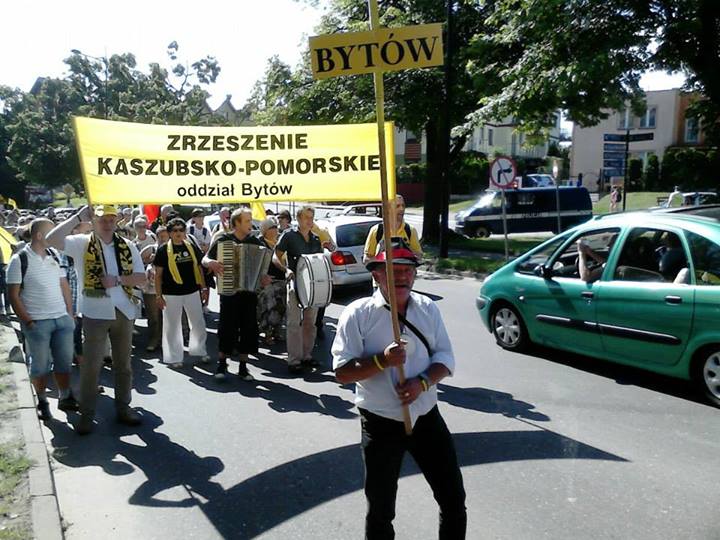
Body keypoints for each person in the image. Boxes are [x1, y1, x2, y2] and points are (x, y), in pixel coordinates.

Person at [332, 240, 466, 539]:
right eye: (393, 270)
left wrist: (422, 383)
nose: (402, 276)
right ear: (376, 275)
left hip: (426, 417)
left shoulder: (427, 308)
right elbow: (342, 372)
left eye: (408, 270)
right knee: (380, 512)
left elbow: (445, 358)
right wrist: (382, 360)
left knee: (453, 499)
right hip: (380, 423)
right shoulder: (357, 314)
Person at [47, 205, 146, 435]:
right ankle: (87, 415)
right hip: (95, 312)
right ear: (93, 221)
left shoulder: (127, 245)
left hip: (124, 310)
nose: (107, 223)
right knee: (91, 367)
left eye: (111, 219)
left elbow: (141, 277)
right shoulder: (82, 243)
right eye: (102, 219)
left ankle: (123, 408)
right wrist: (78, 217)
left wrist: (118, 279)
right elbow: (51, 239)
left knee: (123, 365)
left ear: (117, 220)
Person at [7, 218, 79, 420]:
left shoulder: (54, 255)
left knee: (64, 362)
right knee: (40, 365)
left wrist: (69, 314)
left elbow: (64, 285)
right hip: (38, 322)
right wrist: (28, 322)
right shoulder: (19, 260)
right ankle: (42, 401)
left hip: (61, 320)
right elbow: (13, 295)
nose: (57, 235)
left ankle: (65, 396)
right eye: (51, 232)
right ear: (39, 236)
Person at [203, 208, 271, 381]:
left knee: (248, 328)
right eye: (247, 220)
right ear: (237, 223)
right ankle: (221, 363)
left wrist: (263, 278)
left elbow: (263, 266)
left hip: (249, 293)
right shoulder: (223, 240)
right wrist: (211, 263)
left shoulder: (255, 241)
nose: (251, 224)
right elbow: (205, 259)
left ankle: (243, 366)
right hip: (229, 292)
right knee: (227, 328)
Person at [273, 206, 325, 374]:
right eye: (306, 217)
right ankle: (294, 360)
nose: (310, 221)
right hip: (294, 284)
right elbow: (275, 256)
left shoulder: (316, 239)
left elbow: (318, 261)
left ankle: (306, 356)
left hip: (312, 286)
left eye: (312, 217)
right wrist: (286, 270)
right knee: (293, 323)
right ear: (299, 219)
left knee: (310, 322)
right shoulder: (289, 235)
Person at [153, 218, 209, 368]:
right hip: (171, 293)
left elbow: (199, 269)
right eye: (175, 230)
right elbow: (158, 275)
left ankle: (199, 351)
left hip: (192, 291)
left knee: (198, 322)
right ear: (169, 233)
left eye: (181, 230)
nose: (178, 233)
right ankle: (174, 357)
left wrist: (204, 288)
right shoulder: (163, 250)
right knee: (172, 326)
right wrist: (158, 296)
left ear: (185, 232)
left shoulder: (191, 247)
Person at [364, 194, 422, 262]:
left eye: (403, 205)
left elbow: (419, 256)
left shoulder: (410, 230)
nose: (401, 209)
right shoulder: (377, 230)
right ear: (388, 209)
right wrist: (382, 260)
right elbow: (366, 259)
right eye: (397, 206)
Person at [257, 217, 286, 345]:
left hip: (281, 279)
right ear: (265, 230)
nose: (276, 229)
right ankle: (267, 334)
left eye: (276, 226)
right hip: (267, 281)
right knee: (268, 307)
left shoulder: (279, 241)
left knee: (281, 307)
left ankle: (277, 331)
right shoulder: (260, 242)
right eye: (272, 227)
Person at [139, 226, 168, 352]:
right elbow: (137, 264)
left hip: (168, 288)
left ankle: (166, 341)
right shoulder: (150, 249)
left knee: (167, 316)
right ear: (156, 237)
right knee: (153, 317)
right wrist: (148, 261)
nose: (163, 239)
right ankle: (153, 340)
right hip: (151, 288)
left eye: (166, 236)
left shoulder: (173, 249)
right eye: (161, 237)